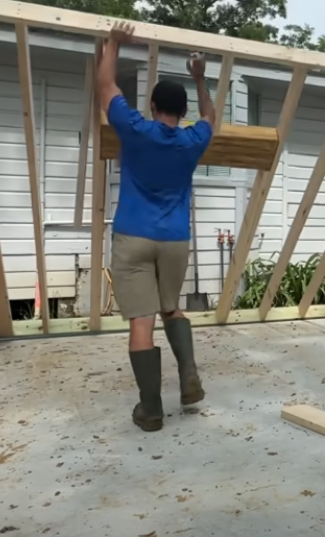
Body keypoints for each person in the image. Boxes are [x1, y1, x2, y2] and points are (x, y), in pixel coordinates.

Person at [98, 22, 216, 431]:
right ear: (181, 112)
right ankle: (187, 374)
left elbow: (106, 87)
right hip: (174, 240)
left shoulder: (136, 130)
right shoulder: (192, 140)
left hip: (133, 236)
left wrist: (113, 43)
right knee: (171, 308)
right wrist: (200, 79)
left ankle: (150, 410)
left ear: (152, 106)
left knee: (142, 323)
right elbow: (210, 115)